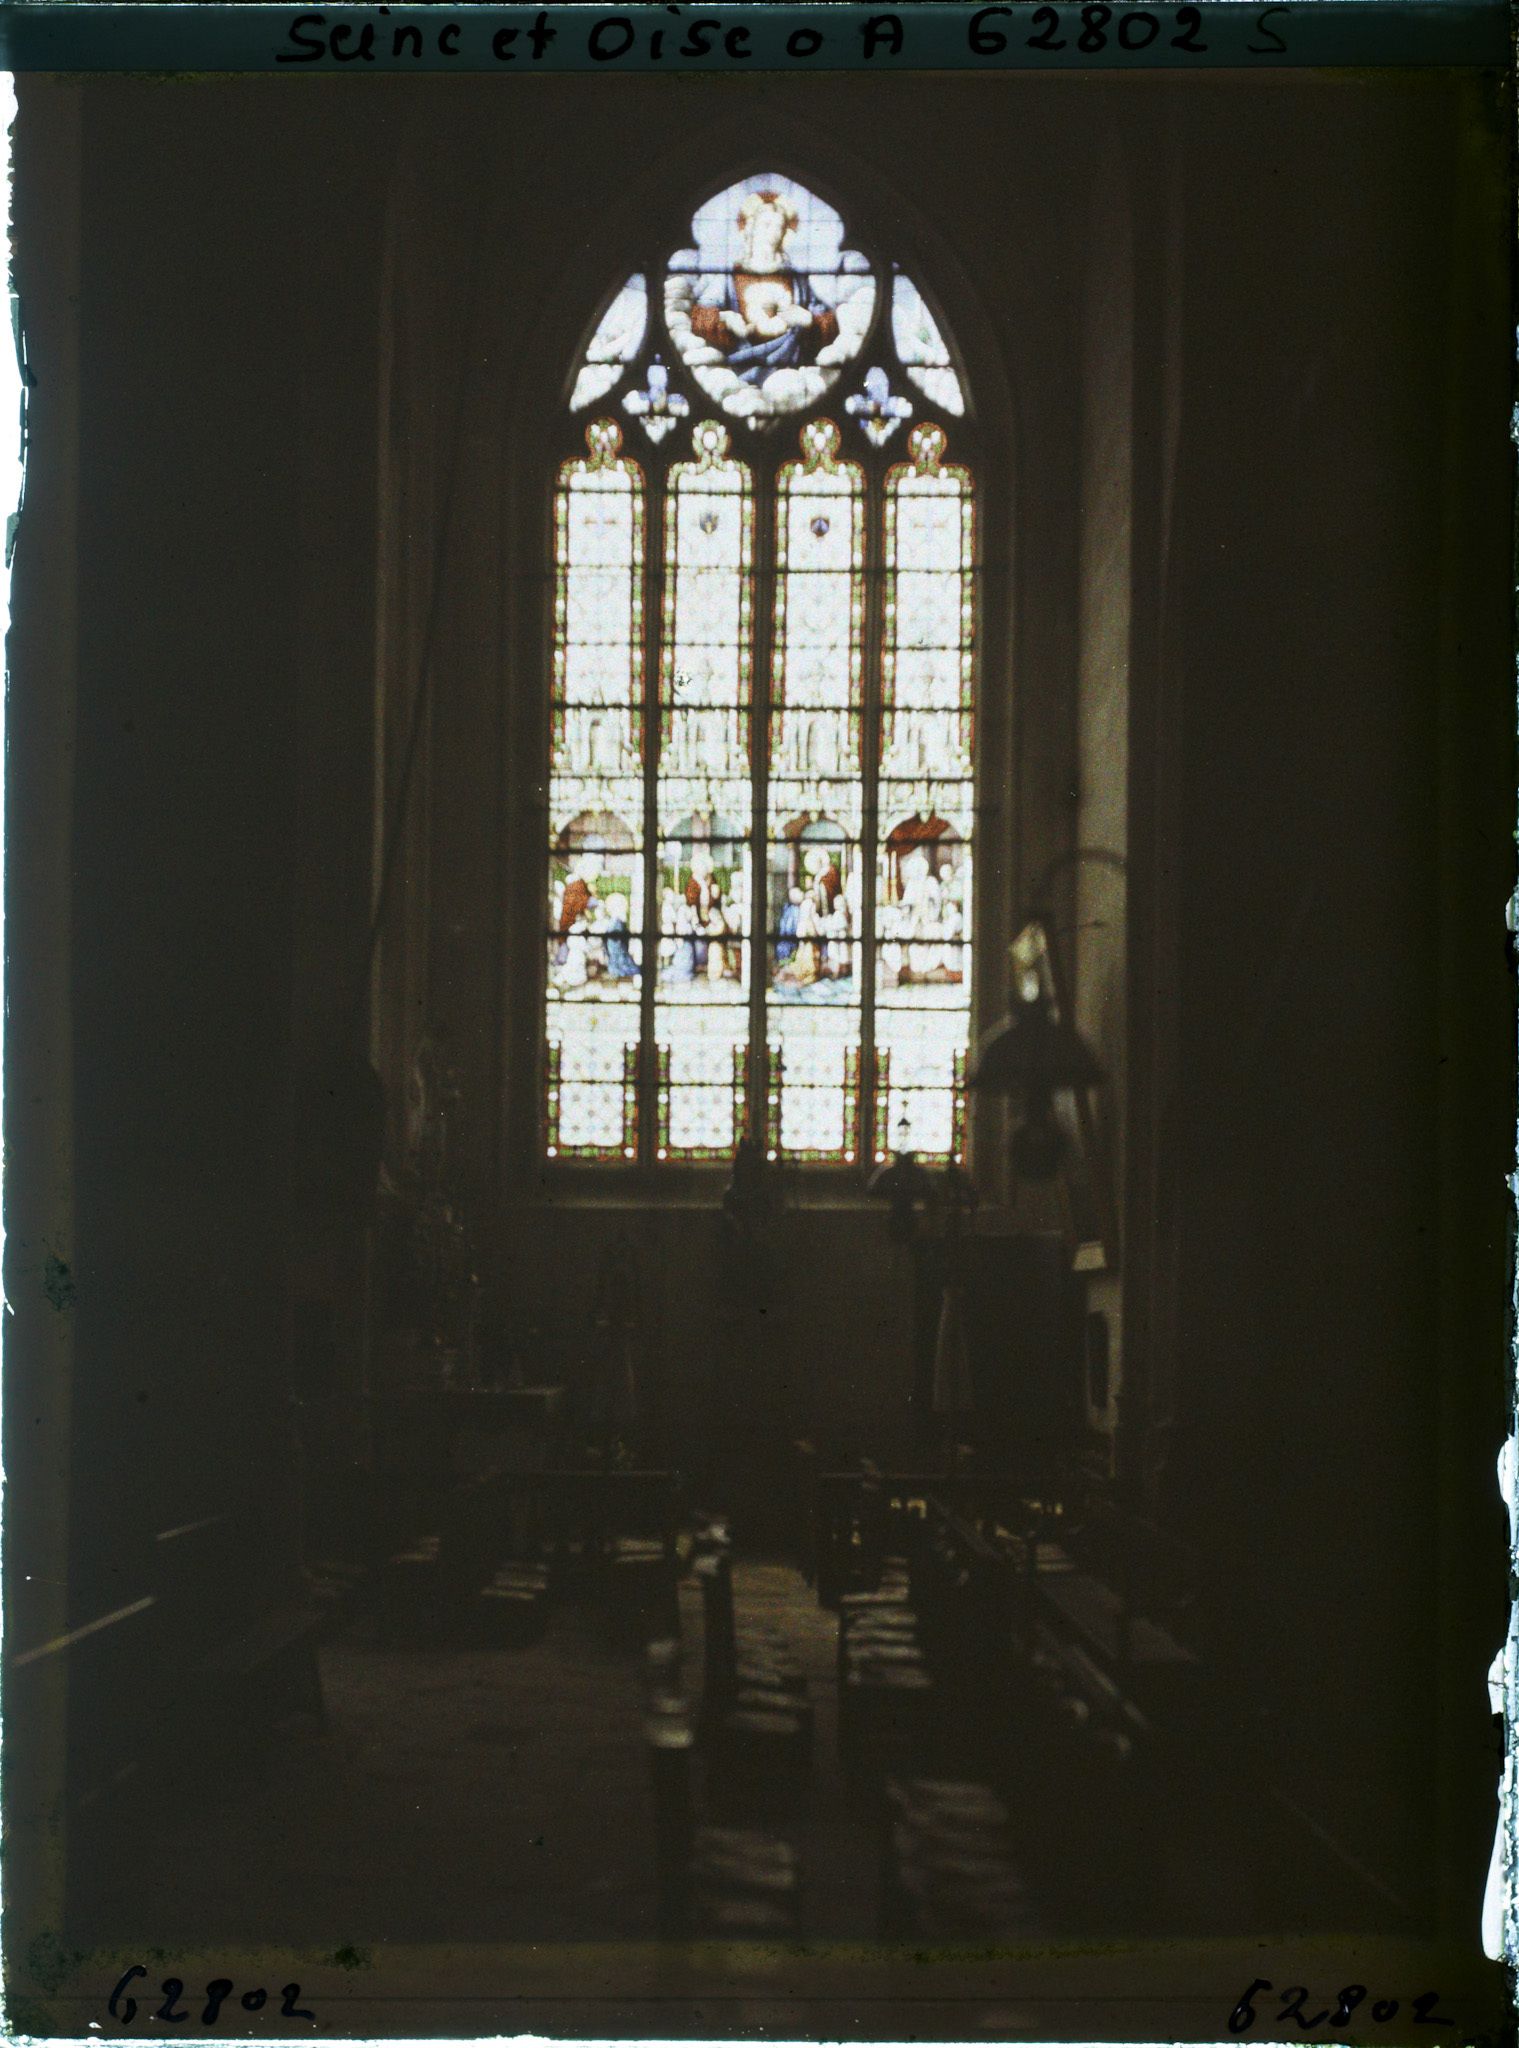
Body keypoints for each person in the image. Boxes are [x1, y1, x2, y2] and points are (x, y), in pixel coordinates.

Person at [686, 191, 840, 388]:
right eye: (766, 225)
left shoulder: (797, 279)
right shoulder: (729, 276)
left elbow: (829, 323)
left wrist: (809, 320)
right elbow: (699, 317)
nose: (773, 233)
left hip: (789, 369)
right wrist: (726, 319)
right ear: (750, 229)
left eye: (779, 226)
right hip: (737, 366)